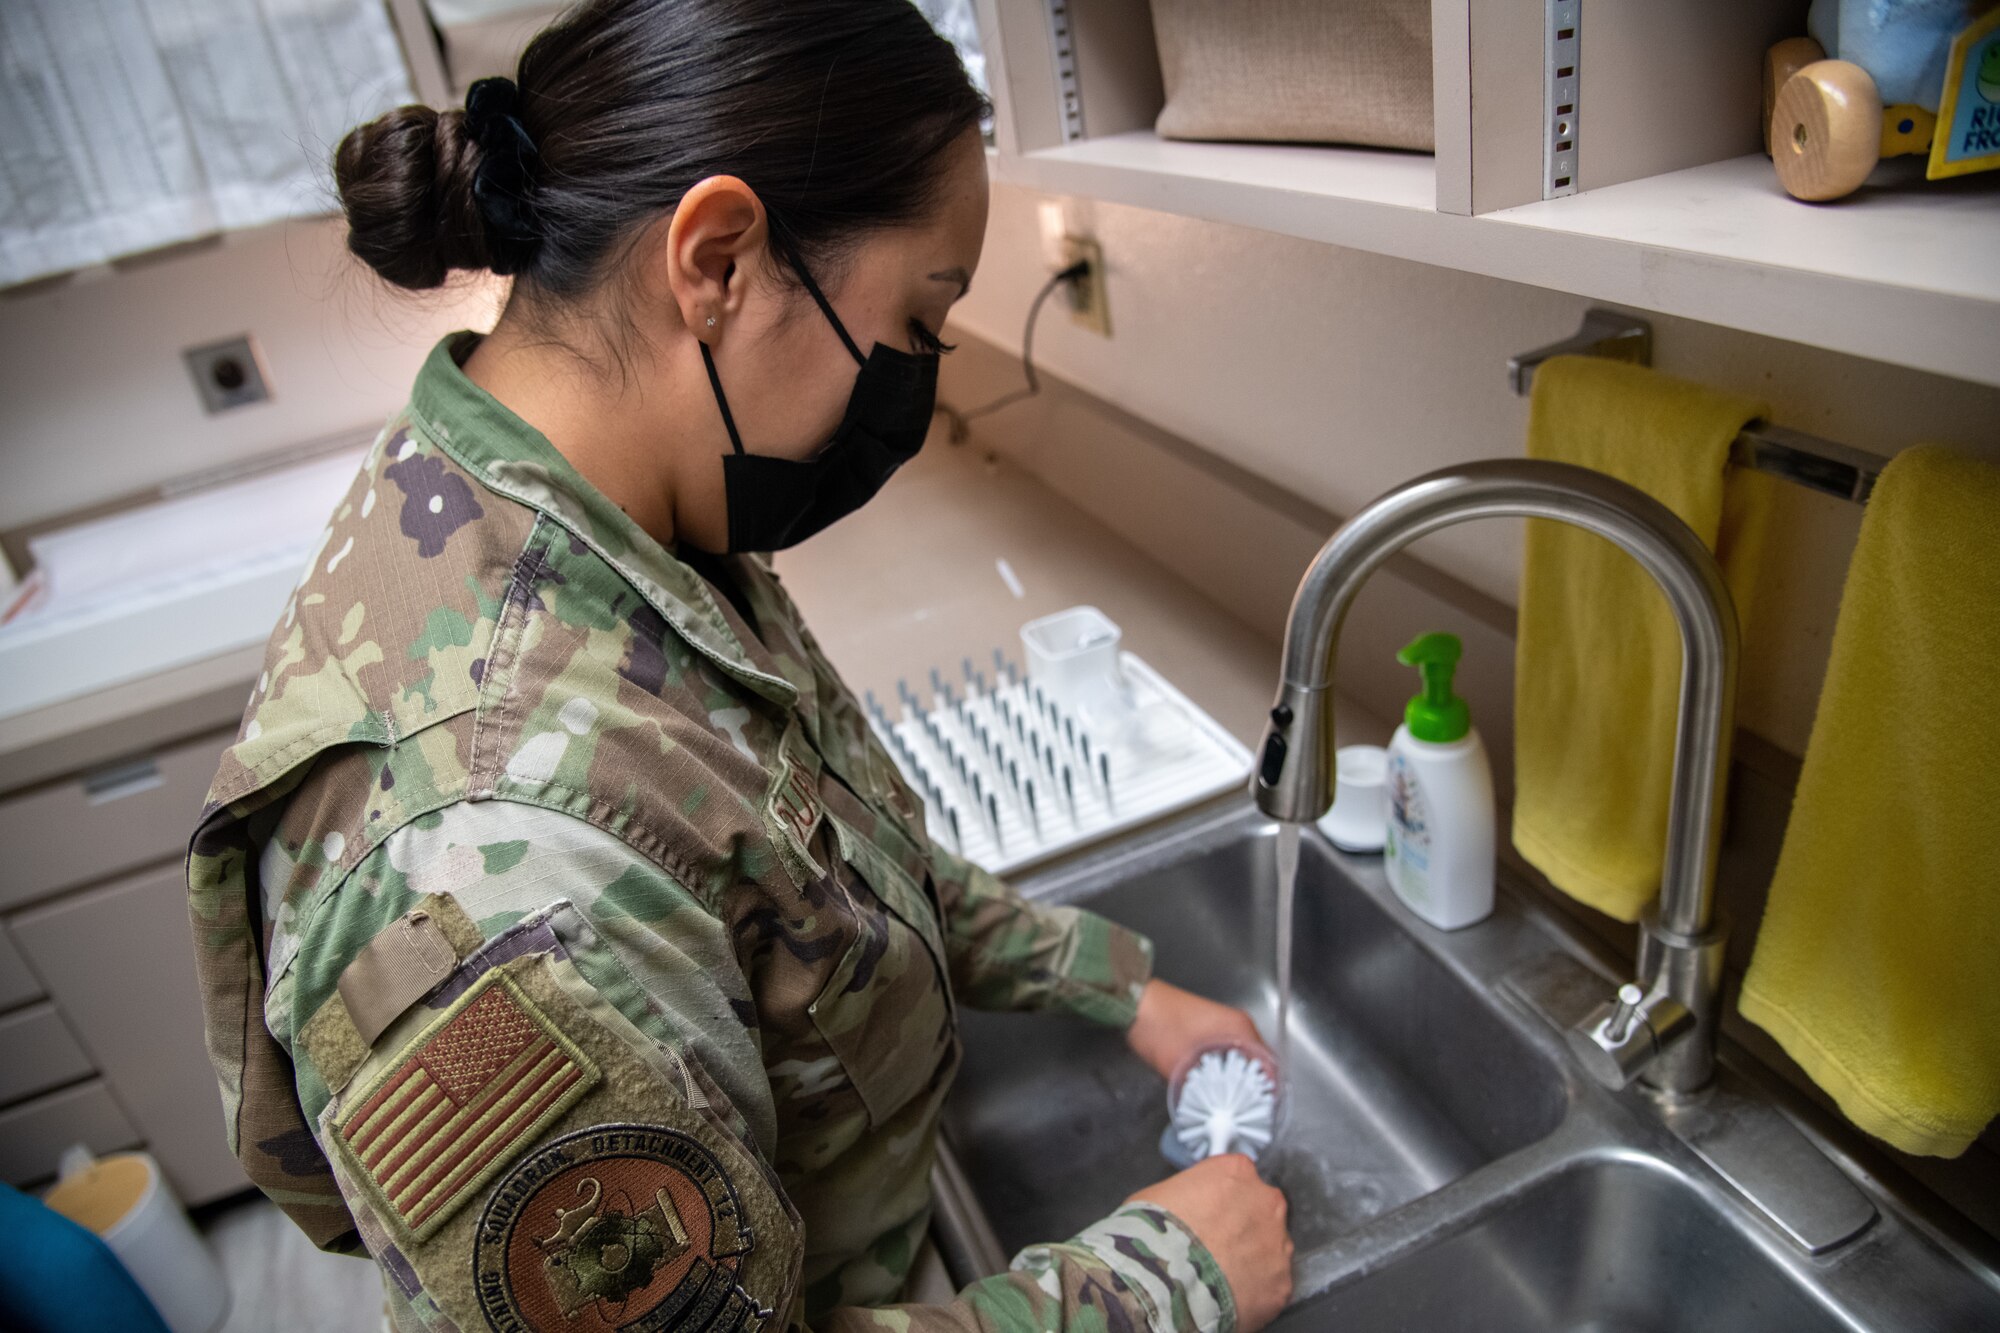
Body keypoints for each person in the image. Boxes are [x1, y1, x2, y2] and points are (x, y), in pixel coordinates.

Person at [184, 3, 1292, 1331]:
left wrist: (1109, 978)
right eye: (920, 315)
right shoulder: (491, 862)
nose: (920, 383)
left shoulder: (601, 506)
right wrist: (1153, 1288)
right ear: (716, 261)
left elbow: (806, 855)